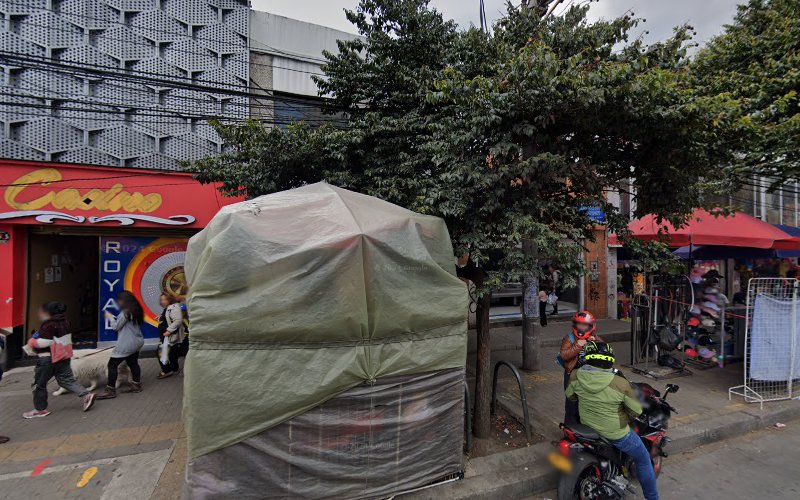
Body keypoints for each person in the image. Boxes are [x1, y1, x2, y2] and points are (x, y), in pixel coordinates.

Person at [565, 342, 659, 500]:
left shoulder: (575, 375)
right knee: (643, 459)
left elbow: (571, 396)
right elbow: (636, 410)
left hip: (587, 427)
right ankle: (653, 497)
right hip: (616, 434)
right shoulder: (619, 383)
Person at [22, 302, 96, 418]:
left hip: (47, 358)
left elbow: (46, 342)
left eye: (41, 312)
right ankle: (86, 395)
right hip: (64, 356)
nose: (39, 314)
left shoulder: (49, 324)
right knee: (66, 380)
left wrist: (32, 342)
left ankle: (40, 410)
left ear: (48, 312)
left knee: (39, 384)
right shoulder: (66, 322)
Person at [97, 291, 145, 399]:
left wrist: (109, 317)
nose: (118, 302)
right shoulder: (136, 311)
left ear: (124, 301)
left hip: (127, 343)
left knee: (112, 365)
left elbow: (116, 327)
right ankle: (136, 384)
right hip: (137, 341)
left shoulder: (125, 312)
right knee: (133, 362)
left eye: (119, 300)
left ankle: (110, 390)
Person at [558, 310, 602, 425]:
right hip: (572, 375)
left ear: (590, 326)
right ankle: (569, 433)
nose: (582, 327)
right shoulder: (569, 338)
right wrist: (578, 345)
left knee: (587, 406)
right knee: (571, 406)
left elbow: (606, 354)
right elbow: (564, 355)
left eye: (585, 325)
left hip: (589, 377)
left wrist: (595, 345)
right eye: (579, 324)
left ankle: (584, 434)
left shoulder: (596, 338)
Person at [157, 293, 185, 378]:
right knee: (172, 352)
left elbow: (177, 321)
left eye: (165, 299)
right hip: (168, 336)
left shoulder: (173, 308)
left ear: (170, 299)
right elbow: (168, 318)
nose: (163, 301)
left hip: (169, 336)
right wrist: (160, 318)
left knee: (161, 352)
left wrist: (169, 331)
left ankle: (166, 370)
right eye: (161, 299)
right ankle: (174, 369)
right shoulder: (168, 308)